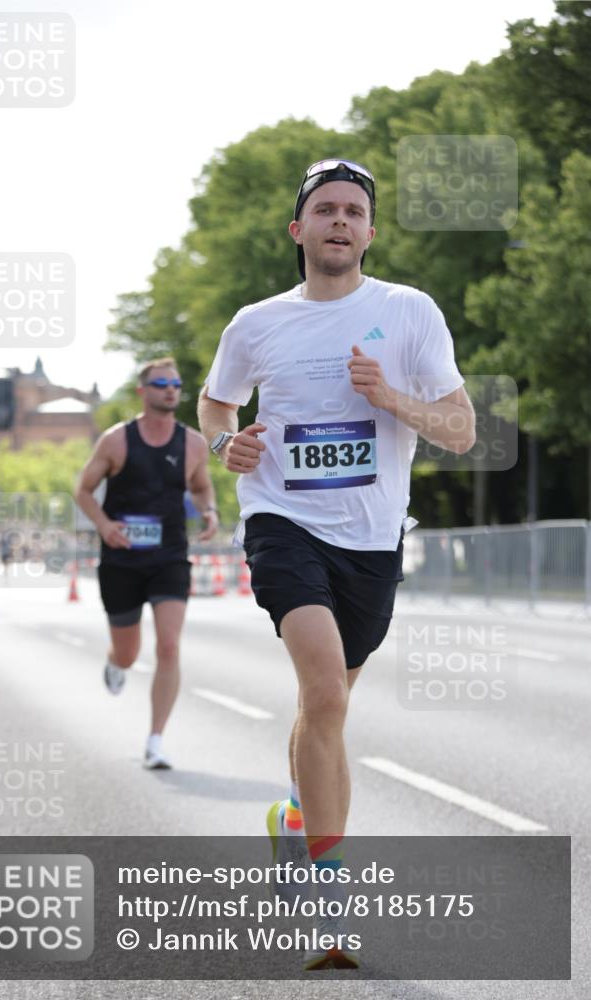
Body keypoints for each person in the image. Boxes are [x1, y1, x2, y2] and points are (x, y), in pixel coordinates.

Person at [198, 158, 475, 969]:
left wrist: (391, 399)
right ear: (299, 230)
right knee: (321, 688)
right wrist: (226, 442)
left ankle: (292, 820)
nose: (340, 222)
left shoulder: (406, 312)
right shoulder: (256, 323)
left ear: (370, 231)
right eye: (325, 210)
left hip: (372, 537)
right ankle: (328, 901)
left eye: (354, 210)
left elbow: (459, 429)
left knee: (327, 707)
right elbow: (218, 402)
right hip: (283, 520)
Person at [75, 358, 219, 769]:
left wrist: (209, 512)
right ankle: (114, 662)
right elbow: (83, 490)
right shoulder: (116, 441)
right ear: (143, 391)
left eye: (175, 384)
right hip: (121, 559)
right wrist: (103, 526)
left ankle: (155, 739)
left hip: (169, 556)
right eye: (161, 384)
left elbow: (202, 486)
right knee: (128, 652)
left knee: (169, 645)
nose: (171, 390)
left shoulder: (191, 443)